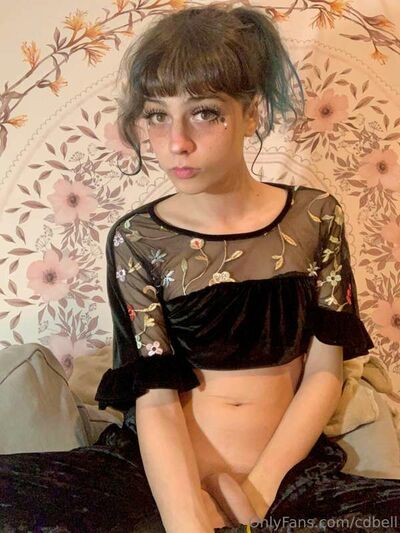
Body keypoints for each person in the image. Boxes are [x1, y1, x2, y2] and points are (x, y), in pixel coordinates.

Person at [0, 4, 399, 533]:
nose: (176, 142)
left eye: (205, 113)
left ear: (251, 113)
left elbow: (325, 373)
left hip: (286, 478)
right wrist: (187, 516)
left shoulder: (316, 216)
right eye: (157, 115)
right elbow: (155, 397)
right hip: (159, 478)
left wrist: (257, 493)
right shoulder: (137, 239)